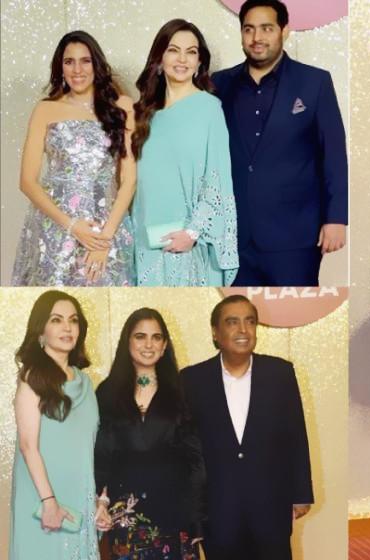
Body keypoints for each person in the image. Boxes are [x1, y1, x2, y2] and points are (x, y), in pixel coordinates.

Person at [211, 0, 347, 286]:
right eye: (249, 29)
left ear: (284, 31)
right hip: (233, 236)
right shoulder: (218, 84)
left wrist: (336, 218)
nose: (256, 38)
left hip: (296, 237)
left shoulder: (314, 82)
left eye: (266, 28)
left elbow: (333, 154)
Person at [180, 295, 313, 560]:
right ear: (215, 332)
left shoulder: (280, 373)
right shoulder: (192, 379)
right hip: (218, 510)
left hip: (271, 506)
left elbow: (296, 435)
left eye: (250, 322)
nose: (243, 330)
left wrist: (301, 493)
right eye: (232, 322)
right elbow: (186, 448)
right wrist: (192, 508)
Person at [11, 30, 135, 286]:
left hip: (107, 227)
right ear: (60, 67)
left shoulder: (121, 105)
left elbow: (129, 179)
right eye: (69, 62)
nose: (77, 70)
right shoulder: (46, 109)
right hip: (56, 229)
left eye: (85, 61)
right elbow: (27, 182)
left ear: (96, 64)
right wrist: (72, 227)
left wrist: (104, 239)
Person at [131, 19, 238, 286]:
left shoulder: (209, 109)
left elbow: (217, 181)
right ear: (159, 58)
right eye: (173, 50)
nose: (182, 59)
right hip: (142, 239)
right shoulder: (142, 113)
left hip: (186, 243)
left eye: (191, 52)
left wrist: (192, 233)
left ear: (200, 62)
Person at [95, 308, 205, 558]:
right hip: (125, 513)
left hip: (175, 512)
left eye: (156, 337)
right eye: (140, 336)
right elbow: (101, 454)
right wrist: (100, 501)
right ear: (127, 342)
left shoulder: (182, 390)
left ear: (164, 345)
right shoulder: (107, 392)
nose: (148, 344)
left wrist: (197, 518)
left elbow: (196, 459)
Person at [9, 291, 103, 559]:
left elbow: (92, 446)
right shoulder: (32, 377)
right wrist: (49, 501)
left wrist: (99, 500)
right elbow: (28, 446)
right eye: (56, 320)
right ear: (41, 331)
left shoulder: (86, 382)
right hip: (42, 497)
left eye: (73, 320)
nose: (67, 327)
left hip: (80, 494)